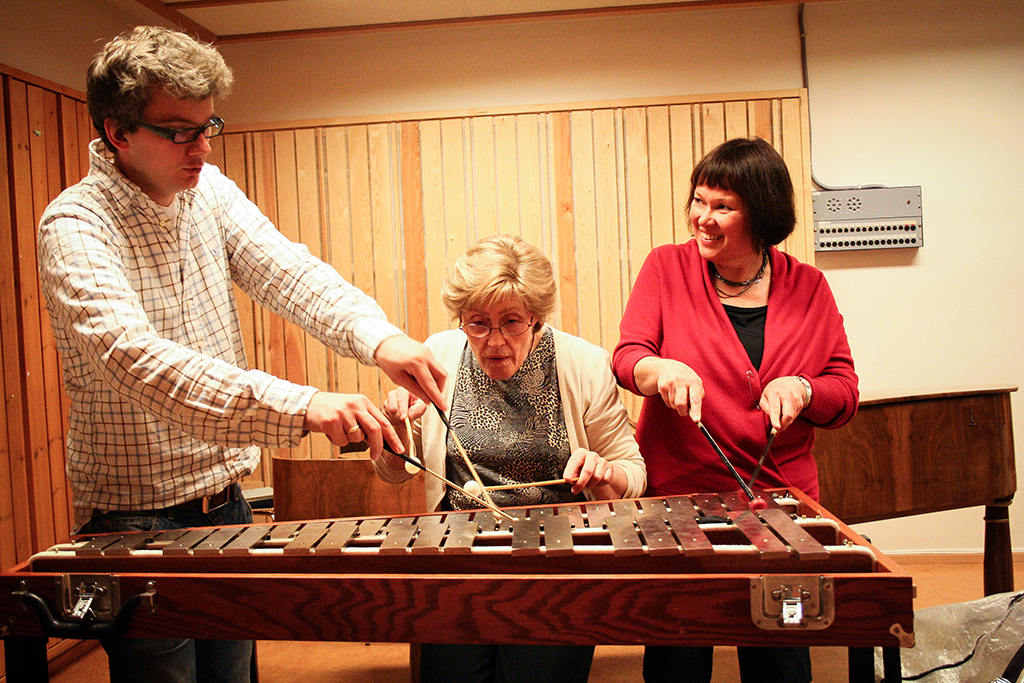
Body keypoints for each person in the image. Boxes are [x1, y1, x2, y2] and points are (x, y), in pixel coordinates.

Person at [36, 26, 446, 683]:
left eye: (208, 127)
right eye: (180, 131)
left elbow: (288, 273)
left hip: (226, 504)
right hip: (132, 519)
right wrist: (305, 405)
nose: (202, 147)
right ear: (118, 132)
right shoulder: (74, 227)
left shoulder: (209, 191)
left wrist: (378, 337)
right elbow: (142, 362)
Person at [612, 137, 859, 683]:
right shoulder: (666, 267)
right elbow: (628, 359)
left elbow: (844, 392)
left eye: (722, 206)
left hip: (781, 500)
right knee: (678, 660)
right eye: (698, 201)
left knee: (782, 660)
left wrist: (804, 389)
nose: (702, 218)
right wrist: (661, 370)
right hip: (679, 498)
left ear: (762, 215)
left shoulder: (809, 286)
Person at [375, 234, 646, 683]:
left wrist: (605, 473)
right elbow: (393, 471)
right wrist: (396, 427)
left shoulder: (584, 363)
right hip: (457, 559)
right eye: (478, 323)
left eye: (511, 322)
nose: (494, 341)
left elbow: (633, 472)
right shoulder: (438, 354)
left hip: (558, 563)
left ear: (536, 317)